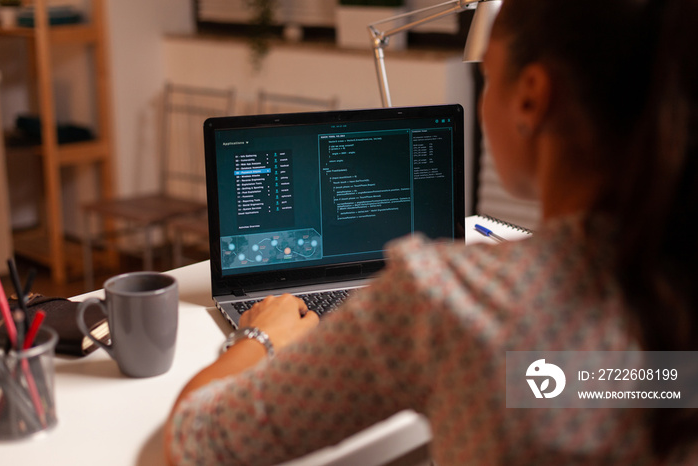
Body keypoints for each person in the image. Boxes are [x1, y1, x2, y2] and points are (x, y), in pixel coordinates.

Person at [166, 0, 698, 463]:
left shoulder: (446, 300)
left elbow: (195, 443)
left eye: (488, 74)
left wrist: (261, 336)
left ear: (532, 97)